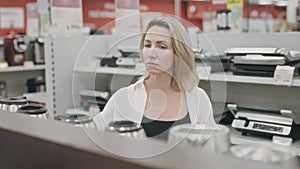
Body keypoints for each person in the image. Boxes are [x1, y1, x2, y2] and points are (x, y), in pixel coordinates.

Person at [93, 16, 216, 140]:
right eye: (147, 45)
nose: (151, 53)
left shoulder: (199, 99)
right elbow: (92, 134)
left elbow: (211, 148)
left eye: (162, 47)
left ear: (179, 54)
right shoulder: (123, 98)